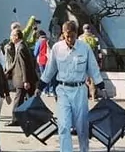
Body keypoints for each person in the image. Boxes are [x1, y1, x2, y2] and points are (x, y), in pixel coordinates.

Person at [39, 21, 105, 152]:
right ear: (63, 34)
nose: (70, 39)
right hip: (63, 90)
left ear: (76, 34)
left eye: (72, 36)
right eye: (67, 36)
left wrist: (100, 85)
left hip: (80, 91)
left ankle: (84, 150)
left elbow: (92, 67)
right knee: (63, 126)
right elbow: (50, 69)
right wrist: (40, 86)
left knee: (82, 128)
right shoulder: (57, 48)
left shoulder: (84, 48)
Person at [5, 29, 38, 126]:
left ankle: (16, 120)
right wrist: (8, 71)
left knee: (18, 99)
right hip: (26, 78)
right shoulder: (20, 46)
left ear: (16, 37)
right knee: (30, 99)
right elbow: (16, 62)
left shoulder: (21, 48)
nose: (10, 37)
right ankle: (34, 118)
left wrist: (25, 81)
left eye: (12, 35)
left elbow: (24, 65)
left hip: (23, 79)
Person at [80, 24, 101, 100]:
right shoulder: (95, 38)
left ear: (83, 29)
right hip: (94, 61)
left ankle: (86, 95)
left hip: (83, 61)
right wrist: (100, 61)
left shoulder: (80, 38)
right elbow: (99, 51)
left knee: (84, 78)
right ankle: (94, 96)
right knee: (93, 78)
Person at [34, 30, 54, 97]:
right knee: (50, 75)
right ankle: (51, 90)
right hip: (49, 60)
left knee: (44, 76)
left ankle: (45, 90)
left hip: (42, 60)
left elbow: (35, 53)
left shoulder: (39, 42)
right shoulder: (49, 40)